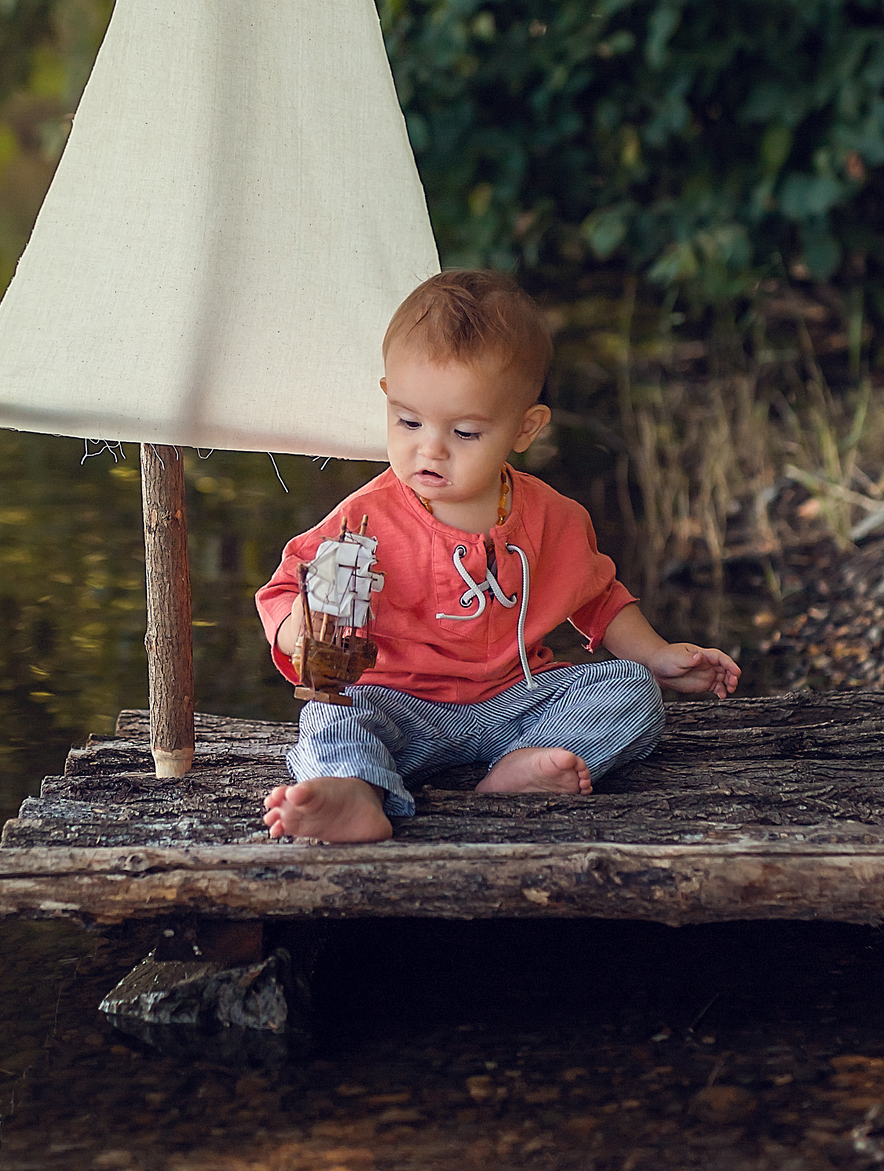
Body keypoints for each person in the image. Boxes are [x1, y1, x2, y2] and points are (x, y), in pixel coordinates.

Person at [256, 269, 739, 843]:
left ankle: (527, 769)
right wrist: (302, 633)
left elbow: (600, 600)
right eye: (408, 421)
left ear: (525, 428)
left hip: (517, 703)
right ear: (387, 397)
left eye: (464, 433)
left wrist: (658, 655)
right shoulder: (363, 518)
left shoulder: (551, 517)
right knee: (331, 716)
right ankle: (356, 792)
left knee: (631, 693)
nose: (428, 448)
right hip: (397, 704)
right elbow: (285, 591)